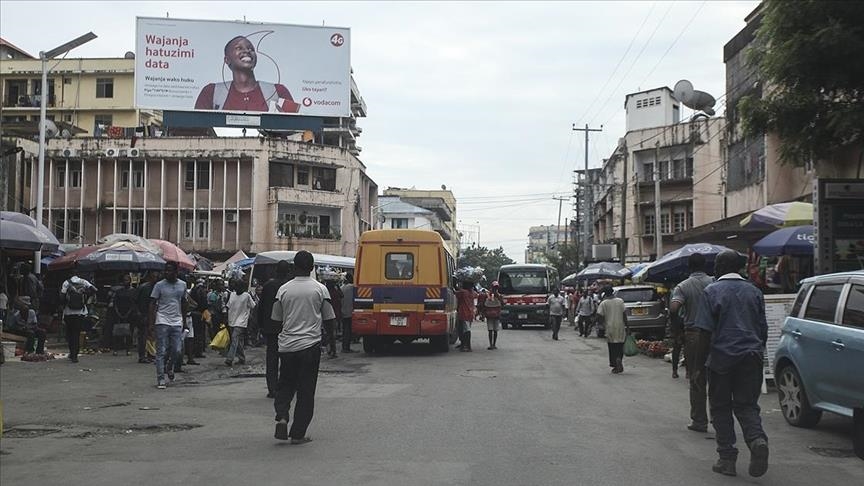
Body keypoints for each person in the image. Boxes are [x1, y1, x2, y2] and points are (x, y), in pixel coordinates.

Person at [694, 250, 769, 478]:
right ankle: (757, 440)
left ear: (720, 267)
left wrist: (697, 367)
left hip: (721, 359)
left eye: (716, 264)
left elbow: (704, 332)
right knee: (747, 405)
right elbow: (762, 329)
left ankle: (727, 458)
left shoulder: (711, 292)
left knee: (720, 407)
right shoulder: (754, 291)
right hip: (751, 357)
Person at [270, 251, 336, 444]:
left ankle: (282, 416)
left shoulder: (283, 290)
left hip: (287, 346)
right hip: (310, 346)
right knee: (306, 391)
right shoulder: (320, 289)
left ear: (294, 267)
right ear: (312, 267)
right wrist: (332, 343)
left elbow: (276, 320)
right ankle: (298, 434)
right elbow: (329, 319)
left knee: (285, 385)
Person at [194, 35, 300, 113]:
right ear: (227, 60)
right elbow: (198, 129)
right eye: (239, 48)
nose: (247, 51)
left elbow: (294, 130)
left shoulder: (278, 91)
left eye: (251, 49)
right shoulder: (211, 92)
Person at [669, 253, 714, 432]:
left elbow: (674, 308)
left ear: (689, 267)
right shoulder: (715, 283)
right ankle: (719, 419)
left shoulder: (683, 286)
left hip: (694, 335)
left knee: (697, 377)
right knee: (717, 379)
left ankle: (700, 420)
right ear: (705, 266)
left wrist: (677, 330)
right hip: (716, 335)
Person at [149, 262, 188, 389]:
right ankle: (161, 378)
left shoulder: (182, 285)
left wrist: (184, 320)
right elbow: (152, 303)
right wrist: (151, 323)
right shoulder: (159, 285)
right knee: (161, 350)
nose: (167, 273)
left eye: (170, 270)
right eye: (166, 270)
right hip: (162, 320)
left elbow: (184, 302)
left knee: (177, 350)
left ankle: (169, 366)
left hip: (176, 321)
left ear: (176, 272)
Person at [260, 260, 292, 398]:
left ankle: (272, 388)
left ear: (275, 271)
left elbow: (261, 308)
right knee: (288, 359)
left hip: (271, 328)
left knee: (272, 359)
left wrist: (261, 326)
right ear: (288, 272)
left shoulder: (268, 286)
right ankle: (286, 387)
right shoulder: (289, 287)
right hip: (287, 328)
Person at [60, 273, 96, 363]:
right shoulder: (83, 282)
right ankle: (75, 355)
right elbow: (95, 289)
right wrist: (86, 297)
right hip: (81, 312)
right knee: (76, 333)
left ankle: (72, 353)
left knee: (70, 333)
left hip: (68, 312)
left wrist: (64, 305)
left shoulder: (66, 283)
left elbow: (62, 297)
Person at [225, 278, 257, 367]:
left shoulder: (247, 296)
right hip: (231, 320)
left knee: (234, 339)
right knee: (238, 341)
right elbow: (228, 306)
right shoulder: (232, 295)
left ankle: (229, 358)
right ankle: (242, 358)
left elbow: (253, 306)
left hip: (241, 322)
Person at [596, 286, 628, 373]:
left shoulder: (604, 303)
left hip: (609, 327)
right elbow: (624, 314)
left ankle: (615, 363)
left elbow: (599, 315)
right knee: (620, 345)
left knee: (612, 347)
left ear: (605, 294)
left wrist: (601, 324)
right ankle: (619, 360)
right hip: (620, 326)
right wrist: (628, 326)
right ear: (613, 292)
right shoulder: (620, 301)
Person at [109, 274, 138, 357]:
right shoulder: (119, 291)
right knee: (117, 333)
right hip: (119, 314)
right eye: (124, 280)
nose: (126, 282)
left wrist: (128, 313)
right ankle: (115, 349)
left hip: (130, 314)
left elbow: (134, 304)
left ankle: (128, 349)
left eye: (127, 280)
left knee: (129, 332)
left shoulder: (133, 291)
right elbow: (115, 303)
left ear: (130, 281)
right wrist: (118, 313)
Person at [136, 271, 159, 363]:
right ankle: (142, 356)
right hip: (144, 314)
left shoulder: (156, 288)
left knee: (151, 336)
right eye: (154, 277)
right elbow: (136, 301)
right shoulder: (144, 287)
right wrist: (139, 313)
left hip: (152, 315)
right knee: (143, 336)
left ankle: (150, 354)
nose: (155, 279)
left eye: (156, 277)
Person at [455, 281, 476, 352]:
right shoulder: (472, 293)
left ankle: (467, 346)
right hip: (470, 313)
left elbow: (455, 292)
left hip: (464, 313)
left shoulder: (463, 292)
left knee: (466, 330)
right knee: (464, 329)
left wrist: (456, 286)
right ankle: (465, 345)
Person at [323, 281, 341, 358]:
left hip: (326, 316)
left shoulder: (326, 294)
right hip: (334, 315)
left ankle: (330, 350)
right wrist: (338, 287)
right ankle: (332, 351)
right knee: (332, 334)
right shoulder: (335, 293)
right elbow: (341, 295)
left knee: (328, 334)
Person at [483, 282, 503, 350]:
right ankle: (491, 344)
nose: (495, 289)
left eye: (496, 287)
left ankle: (494, 344)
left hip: (496, 315)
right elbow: (483, 304)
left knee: (495, 330)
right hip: (490, 315)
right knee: (491, 330)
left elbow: (502, 303)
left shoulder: (499, 295)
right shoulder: (487, 294)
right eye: (495, 287)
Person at [339, 273, 355, 353]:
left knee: (345, 330)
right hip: (350, 312)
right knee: (348, 331)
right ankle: (346, 348)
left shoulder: (341, 288)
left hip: (343, 312)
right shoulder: (352, 287)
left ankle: (345, 347)